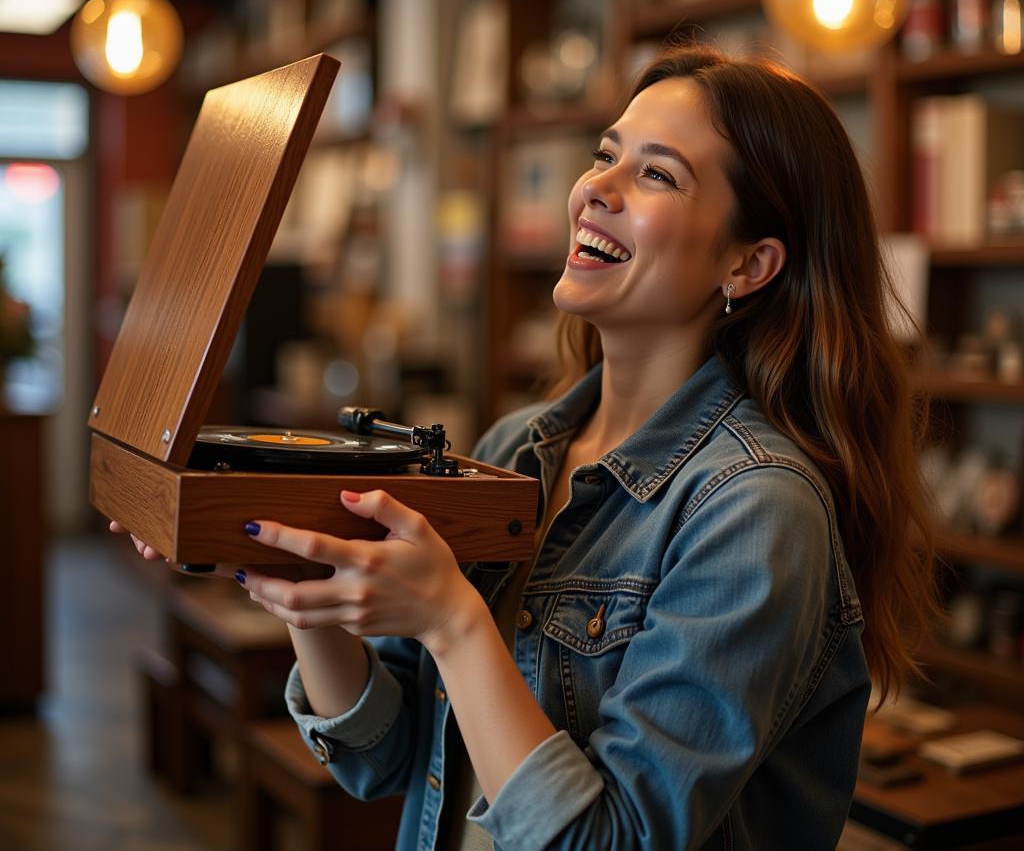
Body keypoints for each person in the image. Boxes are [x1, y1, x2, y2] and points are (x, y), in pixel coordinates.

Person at [116, 42, 938, 849]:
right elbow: (385, 757)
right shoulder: (515, 450)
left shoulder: (756, 510)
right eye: (605, 155)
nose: (592, 191)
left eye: (656, 174)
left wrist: (453, 620)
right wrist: (297, 583)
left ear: (747, 264)